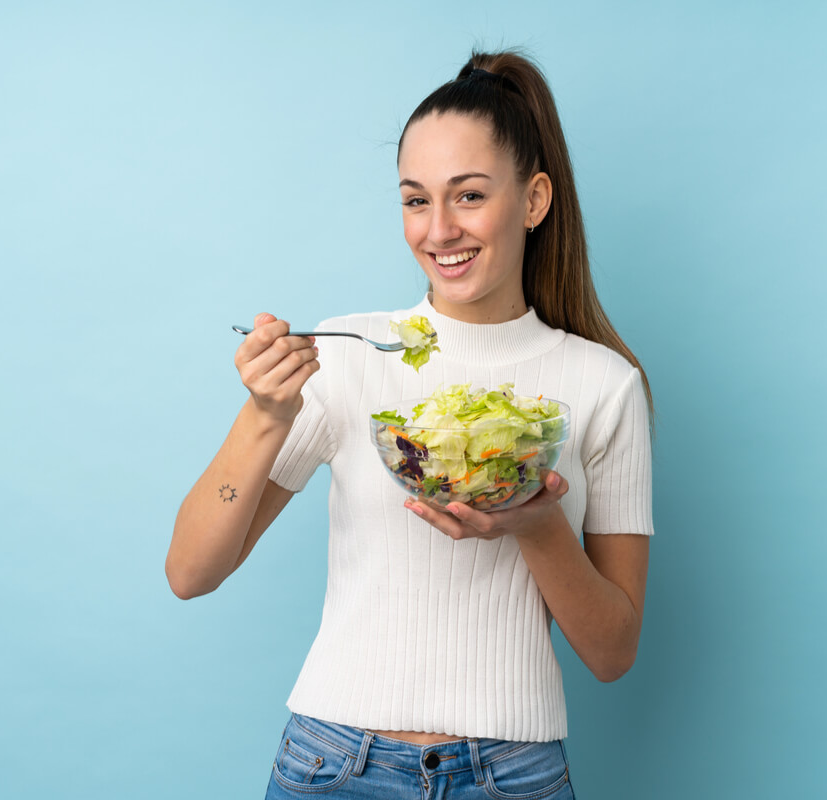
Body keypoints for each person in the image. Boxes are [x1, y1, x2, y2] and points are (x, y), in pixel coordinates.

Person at [166, 48, 656, 800]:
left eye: (468, 196)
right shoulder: (352, 356)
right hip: (332, 767)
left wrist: (536, 525)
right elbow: (191, 572)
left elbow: (613, 651)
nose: (438, 230)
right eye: (415, 200)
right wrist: (265, 416)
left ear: (533, 200)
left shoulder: (603, 385)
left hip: (513, 776)